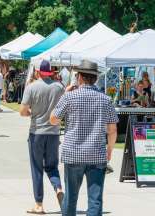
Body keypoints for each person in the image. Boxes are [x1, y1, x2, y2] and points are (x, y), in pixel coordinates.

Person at [50, 60, 118, 216]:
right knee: (95, 199)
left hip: (73, 154)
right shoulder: (105, 99)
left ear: (79, 76)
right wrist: (110, 150)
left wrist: (65, 94)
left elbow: (53, 119)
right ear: (95, 78)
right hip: (96, 154)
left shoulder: (69, 97)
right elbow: (112, 130)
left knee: (71, 197)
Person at [19, 60, 64, 214]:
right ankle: (58, 188)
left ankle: (39, 204)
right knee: (52, 166)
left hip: (37, 132)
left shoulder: (31, 87)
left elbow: (22, 111)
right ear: (51, 72)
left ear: (38, 72)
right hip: (53, 132)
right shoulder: (59, 87)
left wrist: (33, 113)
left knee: (37, 168)